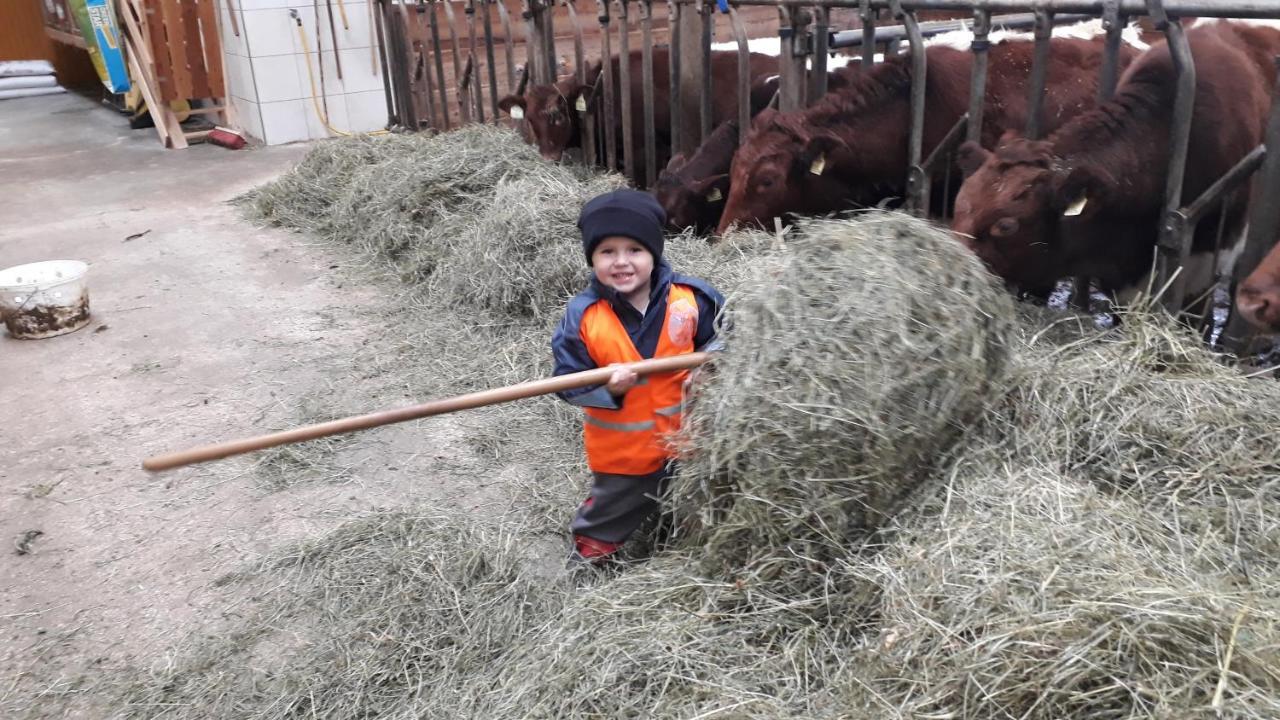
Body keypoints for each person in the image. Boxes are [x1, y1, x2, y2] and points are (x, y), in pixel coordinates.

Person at [552, 188, 724, 566]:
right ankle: (590, 557)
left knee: (703, 494)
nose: (621, 262)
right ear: (591, 258)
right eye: (607, 252)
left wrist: (712, 365)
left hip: (692, 437)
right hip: (625, 451)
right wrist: (606, 387)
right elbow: (567, 382)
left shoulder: (693, 299)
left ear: (654, 253)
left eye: (634, 250)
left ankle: (687, 543)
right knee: (612, 508)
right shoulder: (583, 316)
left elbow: (725, 341)